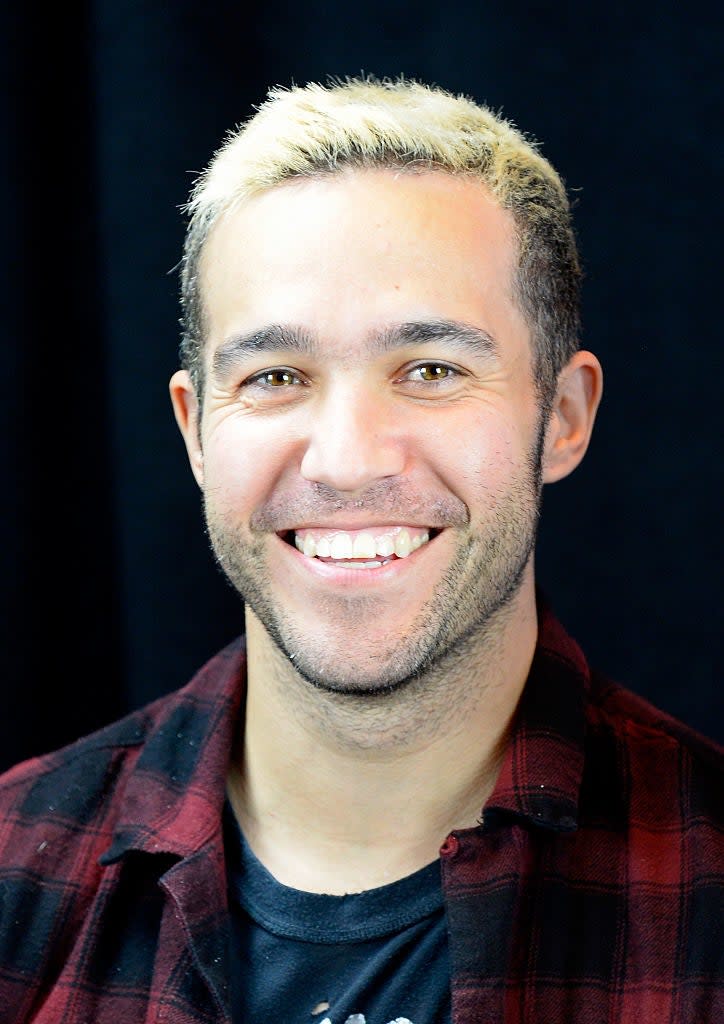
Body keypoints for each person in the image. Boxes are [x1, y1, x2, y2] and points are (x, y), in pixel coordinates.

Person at [0, 76, 721, 1024]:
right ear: (196, 432)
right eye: (275, 376)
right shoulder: (14, 862)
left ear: (566, 416)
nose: (345, 461)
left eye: (431, 370)